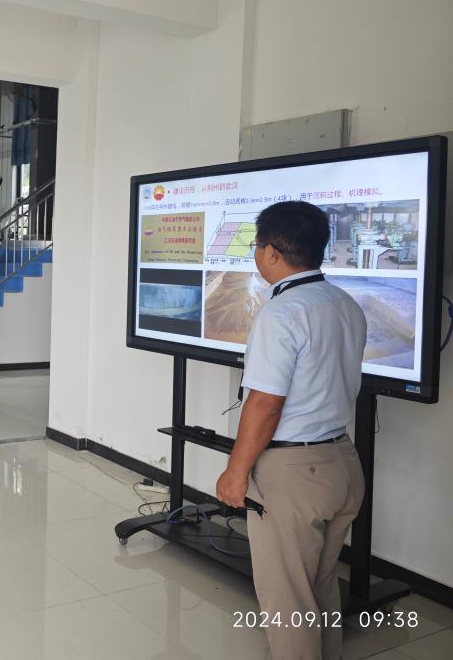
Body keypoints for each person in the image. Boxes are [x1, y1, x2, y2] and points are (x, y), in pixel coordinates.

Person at [215, 200, 367, 660]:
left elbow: (264, 404)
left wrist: (235, 473)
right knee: (320, 585)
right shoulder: (345, 304)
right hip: (342, 463)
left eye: (256, 246)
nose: (255, 255)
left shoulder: (281, 313)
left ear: (273, 253)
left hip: (294, 475)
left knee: (288, 602)